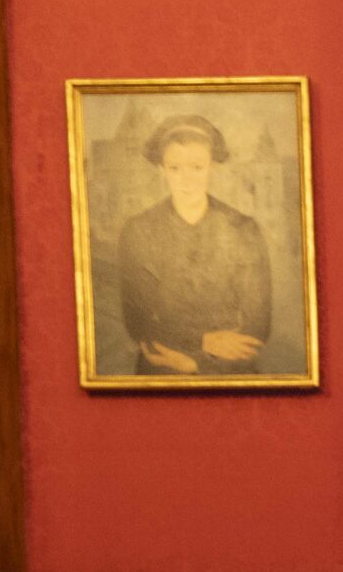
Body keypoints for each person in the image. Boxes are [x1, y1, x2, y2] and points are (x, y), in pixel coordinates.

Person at [115, 114, 272, 376]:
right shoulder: (138, 231)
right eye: (175, 168)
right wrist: (202, 342)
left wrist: (197, 364)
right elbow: (138, 324)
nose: (186, 179)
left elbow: (257, 328)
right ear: (161, 170)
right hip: (161, 369)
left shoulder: (244, 229)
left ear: (212, 167)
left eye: (197, 167)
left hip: (232, 371)